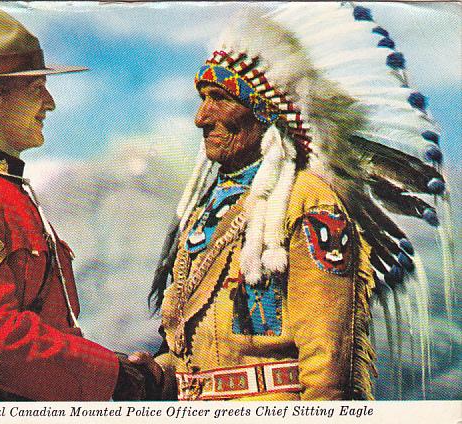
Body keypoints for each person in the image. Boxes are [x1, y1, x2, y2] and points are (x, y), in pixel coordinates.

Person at [133, 3, 449, 400]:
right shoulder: (205, 208)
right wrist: (154, 372)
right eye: (201, 98)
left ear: (266, 113)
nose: (201, 117)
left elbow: (329, 360)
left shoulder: (309, 203)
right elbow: (195, 350)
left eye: (219, 98)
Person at [0, 7, 149, 401]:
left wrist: (118, 367)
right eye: (37, 88)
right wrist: (119, 378)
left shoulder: (8, 191)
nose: (50, 103)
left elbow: (53, 330)